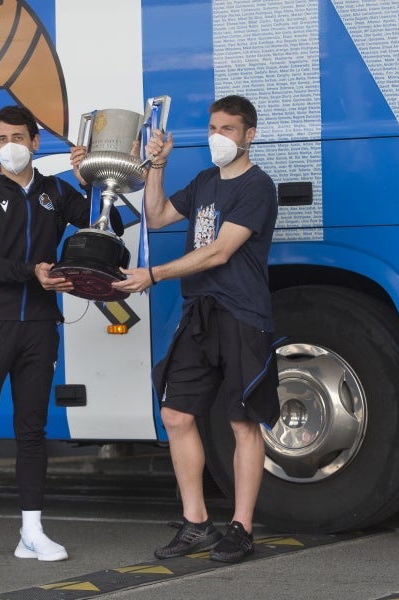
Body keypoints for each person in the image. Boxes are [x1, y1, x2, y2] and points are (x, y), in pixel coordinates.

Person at [0, 105, 119, 565]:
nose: (10, 146)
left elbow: (111, 227)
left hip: (40, 328)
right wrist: (32, 273)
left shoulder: (56, 191)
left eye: (18, 137)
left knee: (32, 431)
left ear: (35, 142)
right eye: (2, 139)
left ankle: (32, 533)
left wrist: (88, 181)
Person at [112, 95, 280, 564]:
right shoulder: (206, 181)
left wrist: (154, 274)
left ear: (249, 135)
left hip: (242, 314)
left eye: (228, 129)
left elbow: (220, 251)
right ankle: (197, 523)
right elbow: (157, 215)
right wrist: (156, 165)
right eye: (212, 128)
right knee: (175, 416)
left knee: (242, 422)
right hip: (200, 314)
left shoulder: (258, 186)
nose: (217, 137)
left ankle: (241, 528)